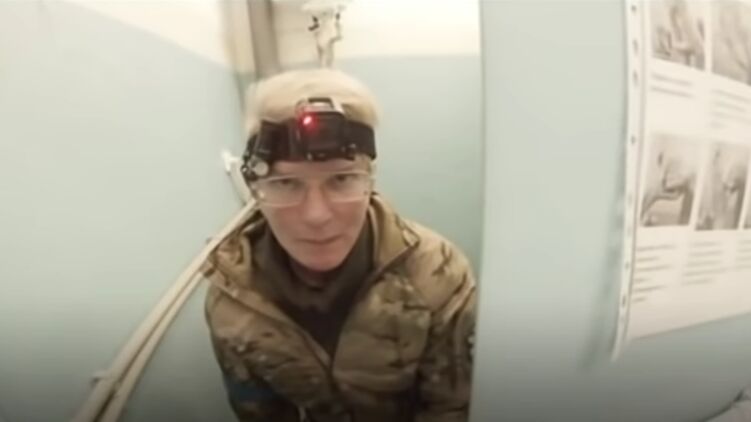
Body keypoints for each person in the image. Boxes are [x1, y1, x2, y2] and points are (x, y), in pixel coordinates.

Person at [199, 68, 477, 422]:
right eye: (286, 183)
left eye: (342, 179)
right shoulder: (233, 298)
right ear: (255, 190)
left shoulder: (437, 273)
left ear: (370, 180)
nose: (316, 215)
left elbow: (451, 410)